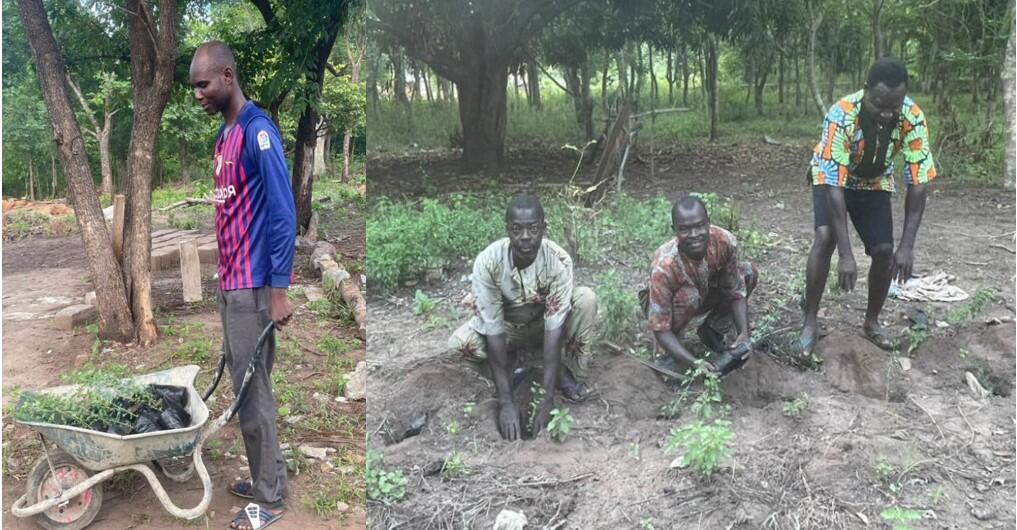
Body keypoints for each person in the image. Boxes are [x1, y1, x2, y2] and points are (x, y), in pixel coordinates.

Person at [190, 41, 295, 530]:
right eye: (194, 86)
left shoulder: (258, 133)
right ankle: (265, 475)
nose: (198, 94)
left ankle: (270, 499)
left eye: (203, 84)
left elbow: (282, 212)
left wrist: (278, 290)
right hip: (231, 285)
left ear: (228, 77)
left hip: (254, 289)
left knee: (253, 394)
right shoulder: (222, 137)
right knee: (245, 385)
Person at [800, 57, 937, 357]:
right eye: (879, 104)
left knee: (885, 251)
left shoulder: (912, 117)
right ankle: (810, 320)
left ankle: (871, 322)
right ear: (865, 91)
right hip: (833, 178)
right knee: (826, 238)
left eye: (895, 105)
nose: (887, 113)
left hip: (873, 181)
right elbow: (834, 188)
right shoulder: (841, 115)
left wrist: (908, 246)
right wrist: (846, 255)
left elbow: (919, 182)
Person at [448, 195, 597, 440]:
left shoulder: (558, 260)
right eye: (517, 229)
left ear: (543, 228)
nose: (525, 236)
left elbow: (554, 327)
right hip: (508, 329)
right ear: (508, 229)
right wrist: (506, 402)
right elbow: (493, 330)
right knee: (459, 345)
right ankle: (514, 373)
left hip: (543, 326)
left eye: (533, 228)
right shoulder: (488, 262)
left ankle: (565, 373)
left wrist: (548, 400)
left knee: (586, 299)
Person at [642, 196, 758, 375]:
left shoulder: (725, 242)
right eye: (685, 229)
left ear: (708, 223)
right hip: (667, 306)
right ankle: (664, 353)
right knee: (689, 296)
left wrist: (744, 334)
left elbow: (735, 291)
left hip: (705, 291)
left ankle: (712, 330)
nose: (694, 234)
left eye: (699, 226)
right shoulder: (664, 267)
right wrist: (695, 362)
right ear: (675, 231)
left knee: (748, 273)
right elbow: (660, 327)